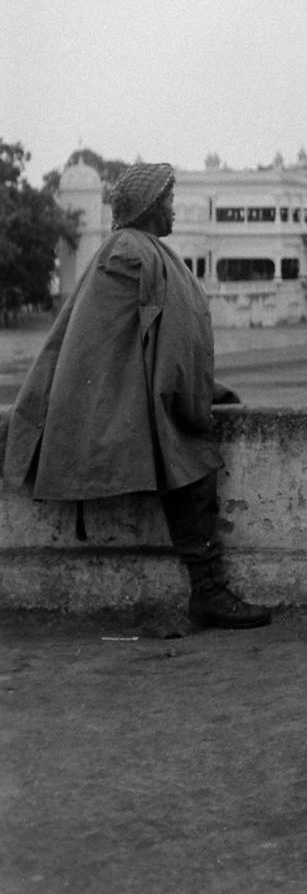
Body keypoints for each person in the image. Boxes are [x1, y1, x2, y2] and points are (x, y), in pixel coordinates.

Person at [3, 162, 271, 630]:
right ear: (148, 206)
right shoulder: (131, 252)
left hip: (143, 388)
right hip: (139, 394)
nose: (172, 209)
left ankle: (207, 591)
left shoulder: (137, 249)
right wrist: (188, 398)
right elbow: (129, 342)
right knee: (189, 461)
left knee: (184, 459)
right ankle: (207, 592)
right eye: (166, 200)